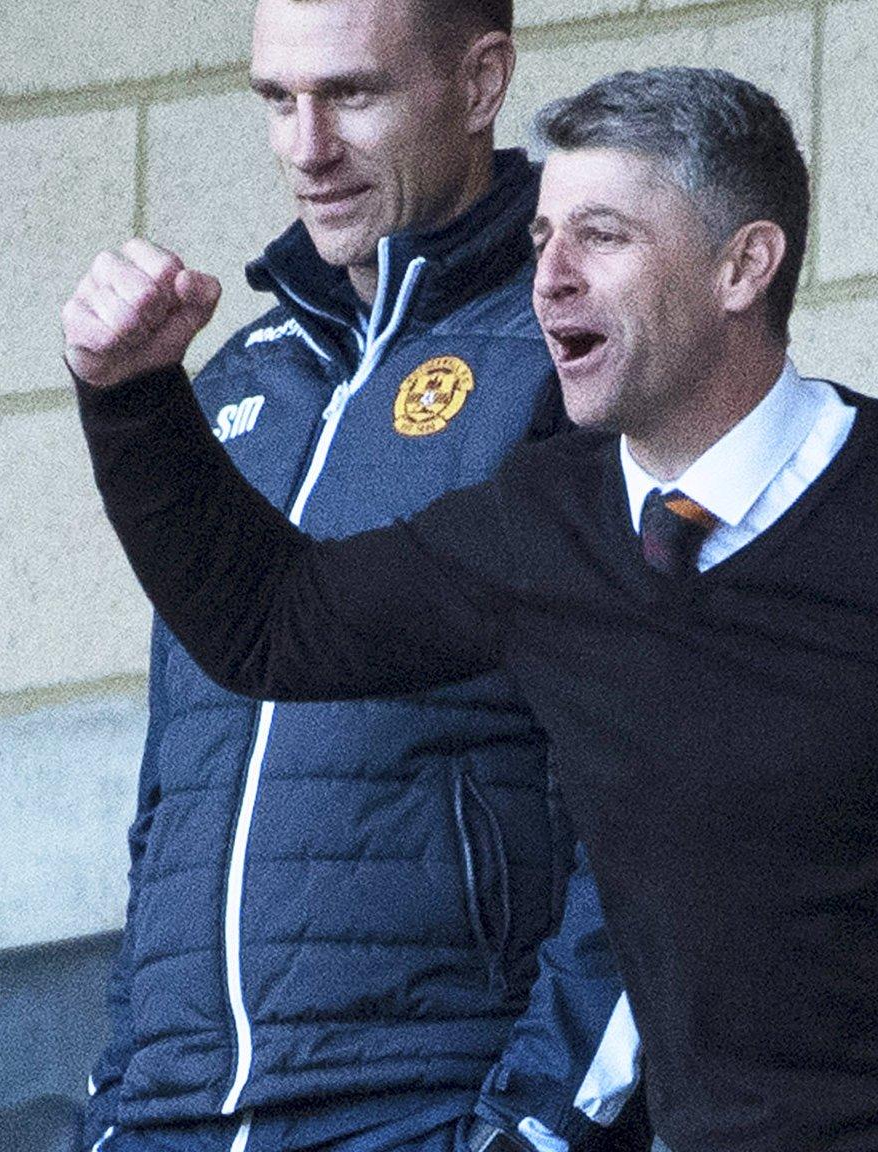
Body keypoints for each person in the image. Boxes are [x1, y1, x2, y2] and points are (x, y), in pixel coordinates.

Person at [64, 67, 878, 1152]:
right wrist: (132, 398)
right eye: (541, 241)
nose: (551, 282)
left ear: (745, 265)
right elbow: (267, 625)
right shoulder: (544, 529)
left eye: (605, 239)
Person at [63, 2, 639, 1150]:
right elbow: (171, 803)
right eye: (276, 100)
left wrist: (534, 1132)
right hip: (170, 1119)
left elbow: (662, 811)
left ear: (480, 85)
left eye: (351, 95)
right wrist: (115, 1103)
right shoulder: (234, 380)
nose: (304, 147)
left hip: (417, 1106)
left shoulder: (576, 357)